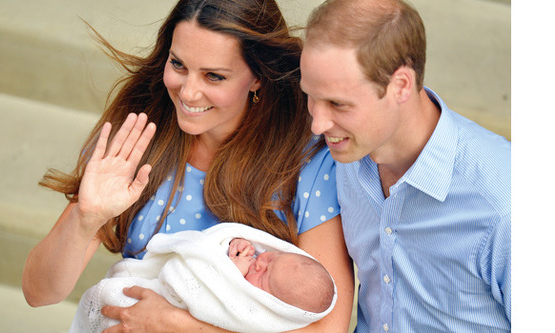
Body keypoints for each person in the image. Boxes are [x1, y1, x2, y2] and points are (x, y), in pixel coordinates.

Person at [22, 0, 354, 332]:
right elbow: (39, 293)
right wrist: (85, 219)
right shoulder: (140, 137)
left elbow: (327, 329)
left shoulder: (308, 163)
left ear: (257, 78)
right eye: (178, 65)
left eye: (214, 76)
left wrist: (175, 325)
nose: (189, 92)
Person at [300, 0, 510, 332]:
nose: (318, 123)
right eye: (311, 96)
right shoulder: (342, 156)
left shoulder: (504, 202)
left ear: (400, 86)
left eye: (338, 104)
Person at [70, 223, 337, 332]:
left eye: (264, 276)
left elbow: (188, 286)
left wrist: (228, 269)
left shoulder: (256, 314)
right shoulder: (251, 258)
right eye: (273, 258)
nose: (260, 262)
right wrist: (230, 246)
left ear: (274, 305)